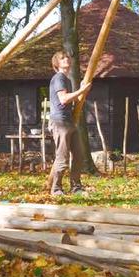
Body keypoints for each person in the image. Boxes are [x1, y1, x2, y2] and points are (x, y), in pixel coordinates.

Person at [47, 51, 92, 196]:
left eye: (67, 57)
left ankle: (76, 187)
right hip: (60, 122)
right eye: (62, 58)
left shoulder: (66, 79)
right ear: (57, 63)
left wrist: (82, 91)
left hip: (69, 121)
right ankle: (56, 189)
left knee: (79, 155)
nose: (66, 59)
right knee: (62, 157)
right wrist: (81, 90)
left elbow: (71, 100)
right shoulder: (59, 78)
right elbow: (64, 99)